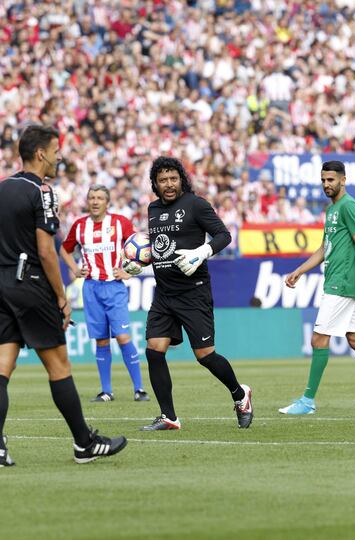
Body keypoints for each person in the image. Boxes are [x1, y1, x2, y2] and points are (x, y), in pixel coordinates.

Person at [0, 124, 127, 466]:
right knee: (59, 366)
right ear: (41, 153)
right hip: (31, 285)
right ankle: (84, 443)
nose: (59, 157)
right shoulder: (42, 191)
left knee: (2, 368)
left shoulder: (2, 188)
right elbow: (46, 250)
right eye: (56, 151)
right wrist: (61, 296)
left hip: (2, 286)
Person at [124, 156, 253, 431]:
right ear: (155, 184)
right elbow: (161, 248)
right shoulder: (153, 209)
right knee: (154, 351)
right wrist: (139, 263)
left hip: (193, 292)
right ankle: (169, 416)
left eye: (173, 179)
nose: (169, 185)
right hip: (164, 294)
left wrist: (201, 252)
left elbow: (223, 235)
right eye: (163, 180)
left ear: (181, 179)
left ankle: (240, 395)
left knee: (205, 355)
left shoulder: (195, 205)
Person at [279, 161, 355, 415]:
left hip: (342, 283)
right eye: (323, 180)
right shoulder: (332, 209)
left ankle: (307, 401)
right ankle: (307, 401)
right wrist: (299, 271)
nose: (326, 184)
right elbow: (325, 248)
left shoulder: (349, 206)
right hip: (340, 281)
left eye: (331, 180)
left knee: (318, 339)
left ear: (343, 181)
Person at [60, 185, 149, 403]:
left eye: (100, 197)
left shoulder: (120, 223)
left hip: (114, 287)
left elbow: (142, 248)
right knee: (101, 340)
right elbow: (64, 249)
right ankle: (106, 391)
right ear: (87, 201)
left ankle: (139, 389)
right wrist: (74, 268)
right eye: (92, 197)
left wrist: (128, 273)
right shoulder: (80, 226)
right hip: (91, 288)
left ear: (107, 202)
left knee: (122, 336)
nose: (95, 201)